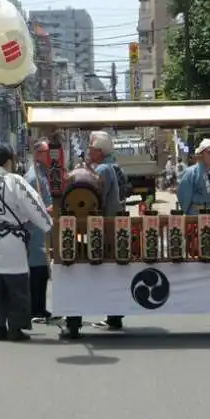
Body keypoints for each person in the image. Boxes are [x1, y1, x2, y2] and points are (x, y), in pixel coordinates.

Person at [0, 143, 53, 342]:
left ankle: (0, 327)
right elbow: (34, 204)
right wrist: (48, 225)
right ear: (9, 161)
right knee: (17, 288)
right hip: (11, 242)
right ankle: (15, 328)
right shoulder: (14, 181)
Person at [177, 138, 210, 326]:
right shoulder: (191, 173)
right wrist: (189, 215)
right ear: (200, 154)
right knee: (196, 253)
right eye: (208, 153)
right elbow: (183, 196)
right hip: (196, 215)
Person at [87, 131, 124, 331]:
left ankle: (113, 315)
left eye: (91, 148)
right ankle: (114, 314)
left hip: (104, 227)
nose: (88, 152)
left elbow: (95, 199)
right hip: (114, 225)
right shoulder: (112, 166)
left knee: (108, 272)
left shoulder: (102, 169)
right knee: (113, 272)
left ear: (99, 151)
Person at [24, 139, 53, 320]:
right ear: (38, 155)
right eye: (47, 152)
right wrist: (48, 209)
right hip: (35, 230)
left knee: (42, 271)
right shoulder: (34, 177)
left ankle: (40, 307)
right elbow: (33, 207)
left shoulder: (44, 174)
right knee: (37, 269)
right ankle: (35, 308)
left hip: (43, 229)